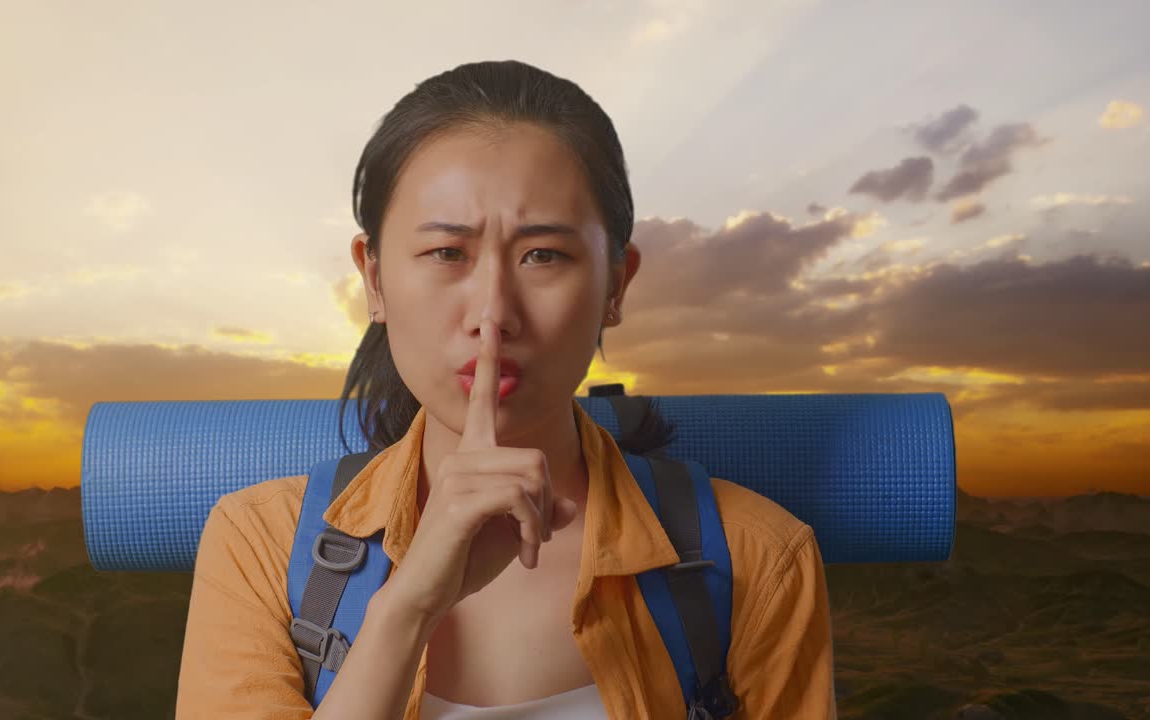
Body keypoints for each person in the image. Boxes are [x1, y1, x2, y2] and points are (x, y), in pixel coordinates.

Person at [175, 59, 836, 719]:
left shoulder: (761, 557)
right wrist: (406, 609)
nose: (493, 312)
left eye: (542, 255)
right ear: (373, 279)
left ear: (616, 285)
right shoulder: (257, 544)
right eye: (446, 254)